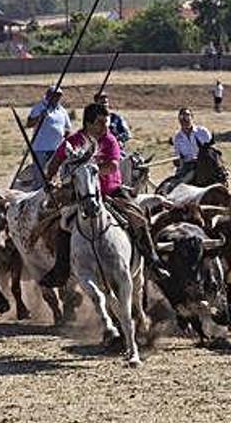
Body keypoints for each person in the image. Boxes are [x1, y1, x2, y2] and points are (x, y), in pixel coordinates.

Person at [37, 103, 168, 287]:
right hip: (80, 194)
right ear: (88, 123)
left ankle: (153, 262)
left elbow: (113, 166)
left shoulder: (109, 139)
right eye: (100, 123)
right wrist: (49, 179)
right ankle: (61, 270)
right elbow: (56, 161)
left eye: (106, 122)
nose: (105, 127)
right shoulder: (74, 140)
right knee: (63, 224)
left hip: (112, 190)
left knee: (137, 217)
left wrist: (89, 172)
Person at [26, 85, 71, 188]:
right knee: (40, 177)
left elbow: (68, 128)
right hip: (40, 149)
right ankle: (36, 197)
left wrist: (65, 141)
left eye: (59, 96)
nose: (57, 98)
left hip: (57, 150)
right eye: (55, 95)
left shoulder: (62, 110)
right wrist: (39, 117)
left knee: (55, 176)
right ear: (48, 95)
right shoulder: (39, 107)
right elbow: (29, 124)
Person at [172, 107, 212, 184]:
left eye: (187, 116)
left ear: (192, 117)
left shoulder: (203, 132)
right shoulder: (177, 138)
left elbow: (212, 151)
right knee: (177, 184)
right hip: (188, 166)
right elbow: (178, 156)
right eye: (182, 117)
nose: (185, 120)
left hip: (205, 164)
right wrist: (177, 160)